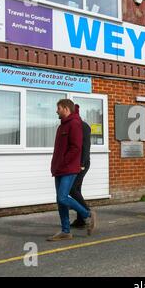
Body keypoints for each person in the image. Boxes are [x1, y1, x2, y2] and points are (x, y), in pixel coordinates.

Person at [48, 99, 96, 241]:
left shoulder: (75, 124)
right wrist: (55, 165)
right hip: (59, 168)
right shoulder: (61, 126)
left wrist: (65, 163)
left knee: (63, 196)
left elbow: (76, 147)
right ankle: (65, 231)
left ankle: (87, 214)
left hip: (69, 168)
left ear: (66, 109)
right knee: (60, 200)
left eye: (59, 108)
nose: (57, 111)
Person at [69, 105, 92, 229]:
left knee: (72, 189)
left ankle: (87, 212)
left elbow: (86, 146)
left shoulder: (83, 126)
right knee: (77, 190)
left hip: (81, 164)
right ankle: (80, 220)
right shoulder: (78, 125)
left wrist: (82, 164)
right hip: (77, 163)